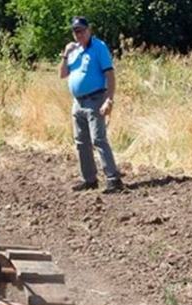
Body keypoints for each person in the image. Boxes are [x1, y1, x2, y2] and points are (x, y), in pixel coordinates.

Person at [59, 16, 123, 194]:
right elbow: (63, 74)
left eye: (81, 30)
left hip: (96, 99)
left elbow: (109, 74)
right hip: (78, 102)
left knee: (98, 139)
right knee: (81, 142)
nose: (78, 34)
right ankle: (89, 180)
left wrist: (109, 99)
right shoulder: (74, 50)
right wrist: (65, 54)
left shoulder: (99, 47)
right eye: (75, 31)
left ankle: (113, 179)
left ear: (89, 30)